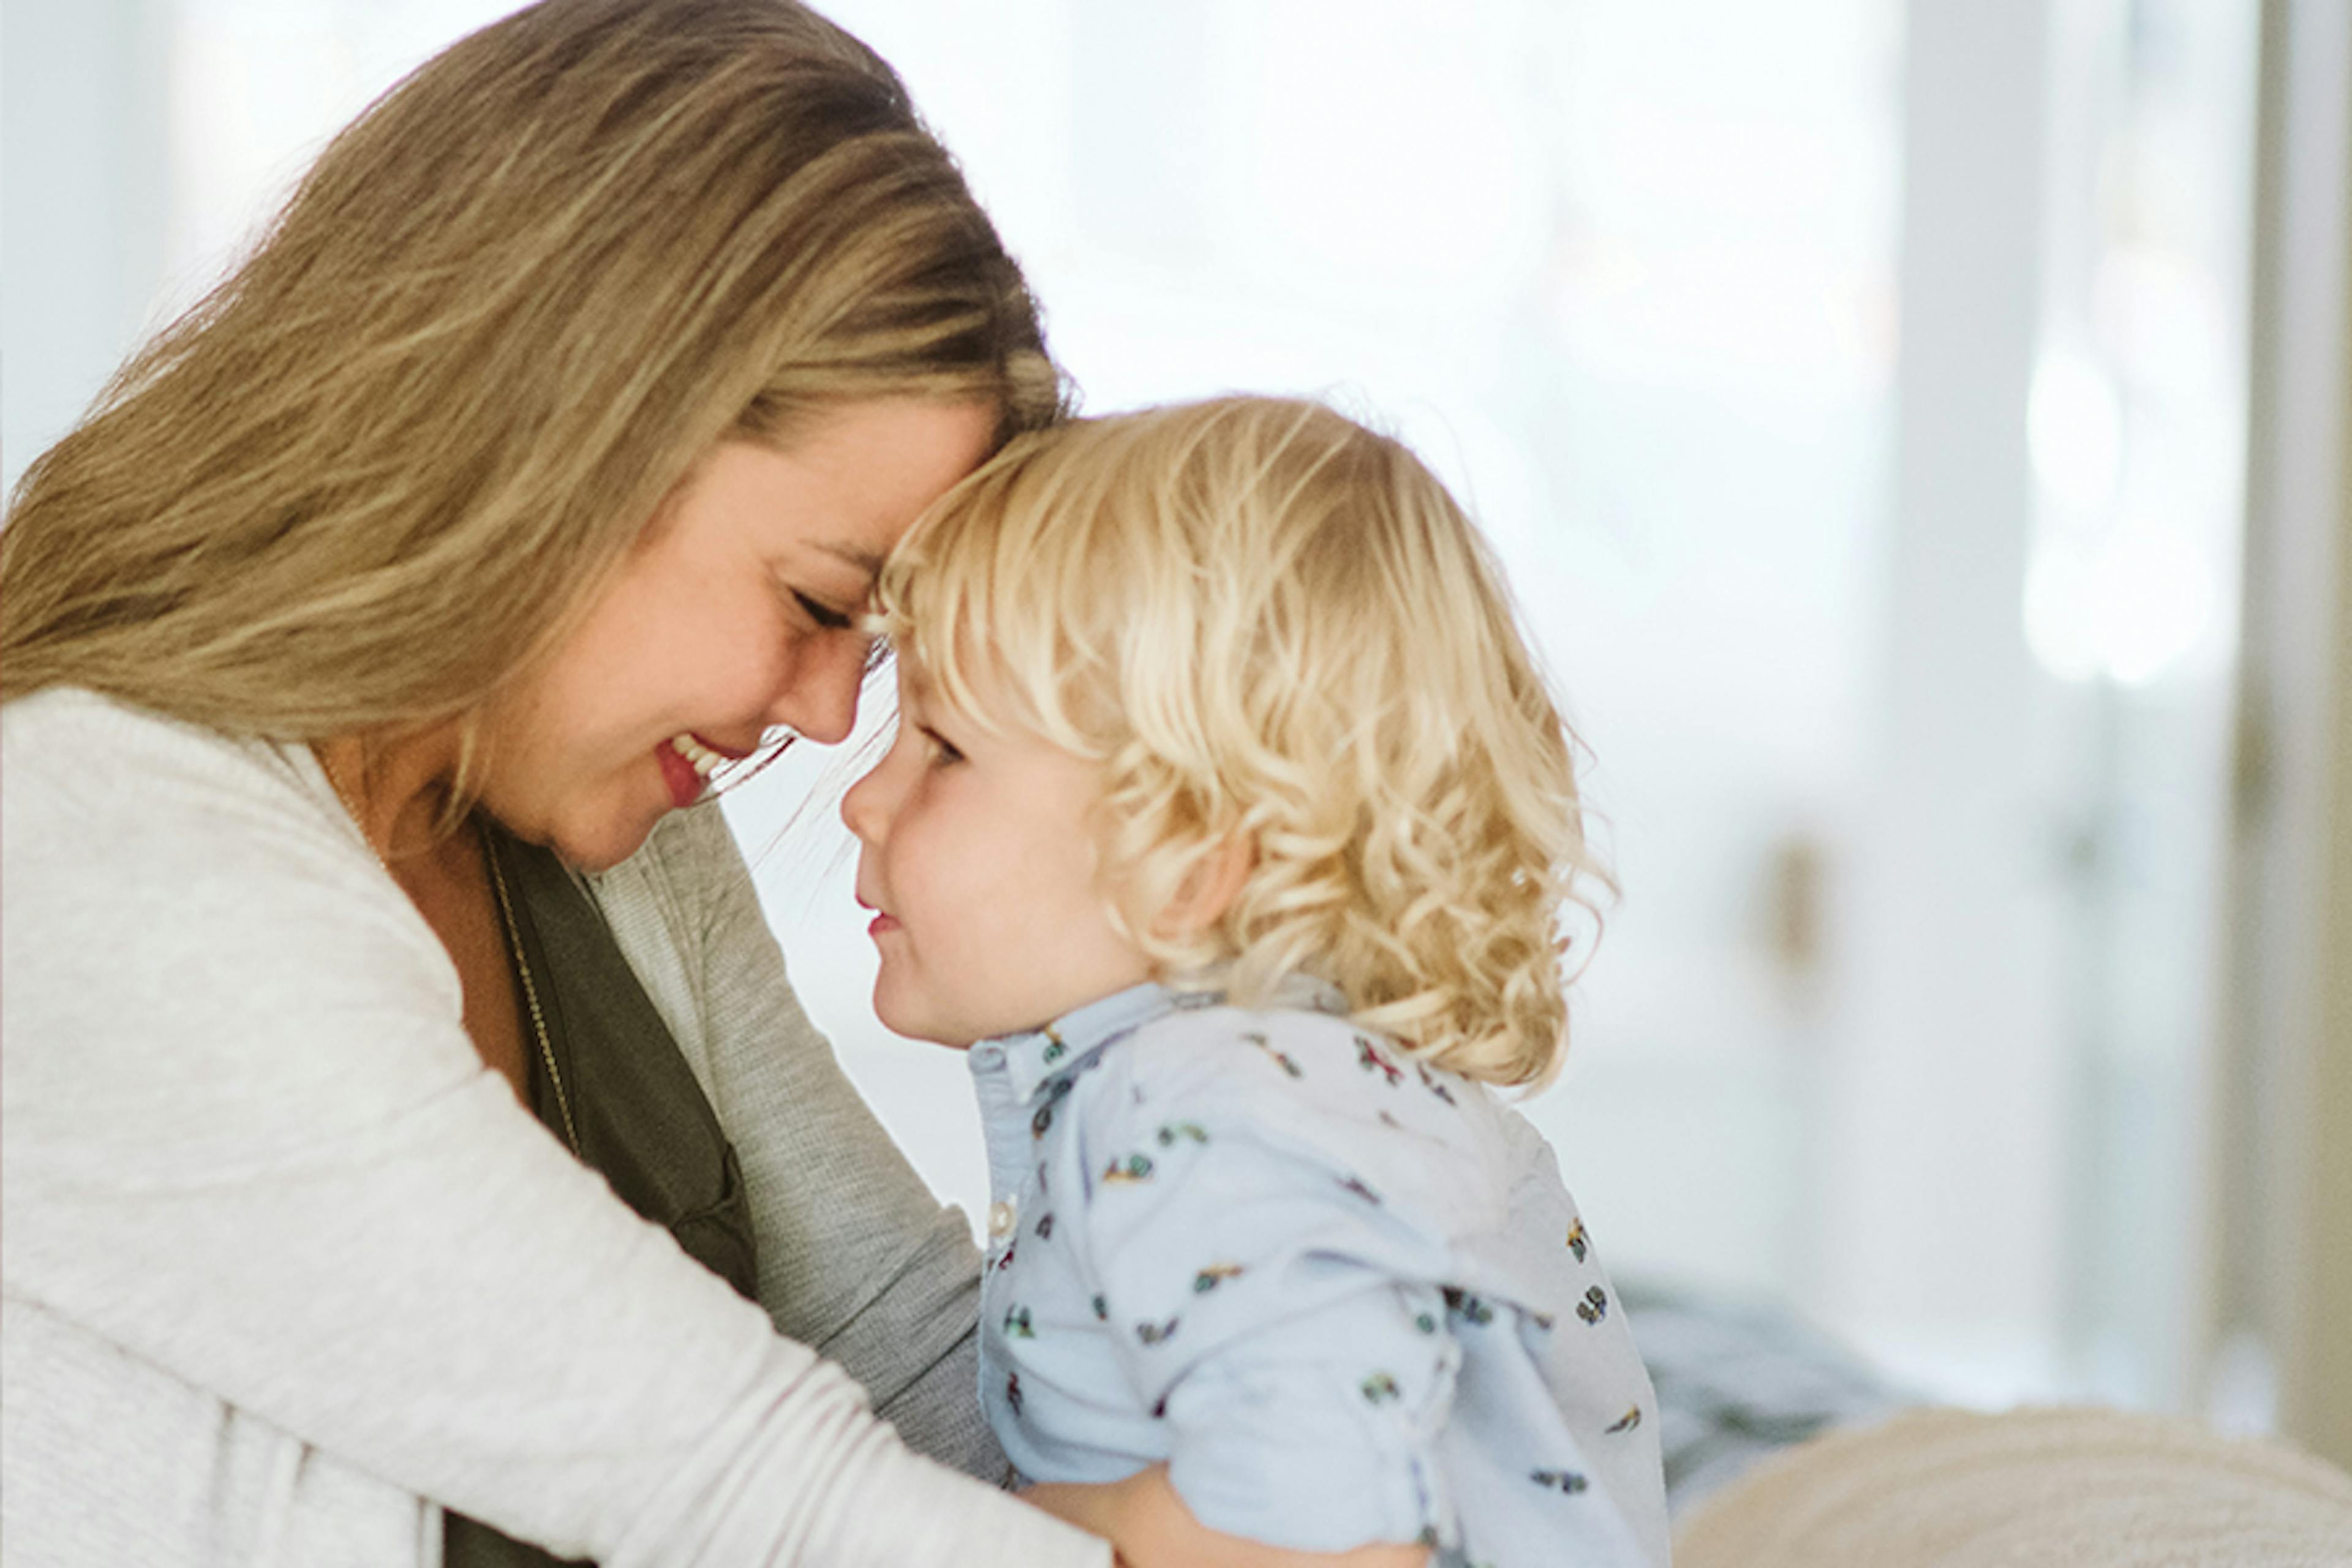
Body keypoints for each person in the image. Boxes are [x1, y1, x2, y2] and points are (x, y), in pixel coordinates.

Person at [0, 3, 1110, 1564]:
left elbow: (904, 1349)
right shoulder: (99, 858)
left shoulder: (617, 841)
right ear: (557, 433)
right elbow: (760, 1492)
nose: (829, 707)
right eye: (814, 601)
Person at [840, 396, 1675, 1567]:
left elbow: (1324, 1537)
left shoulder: (1200, 1105)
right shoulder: (1299, 1087)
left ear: (1190, 856)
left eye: (944, 749)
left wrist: (1021, 1535)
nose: (861, 801)